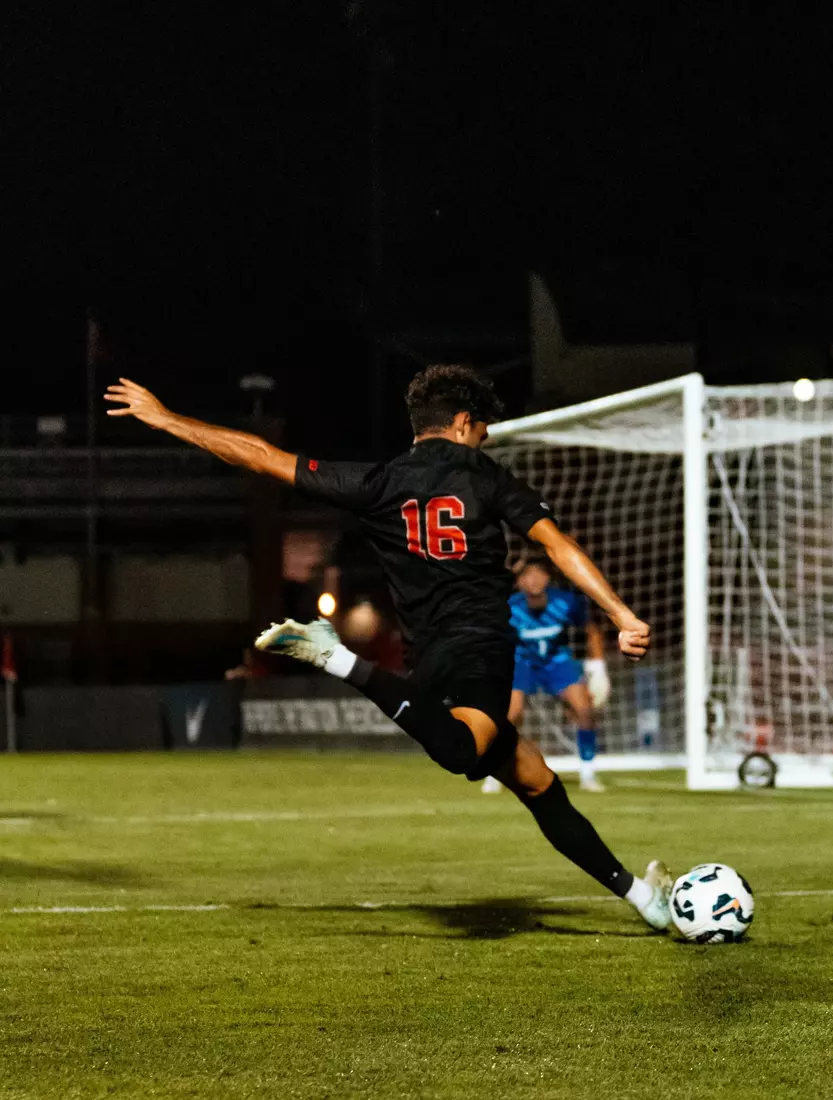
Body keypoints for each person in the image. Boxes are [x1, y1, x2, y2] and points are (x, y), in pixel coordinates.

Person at [105, 365, 672, 929]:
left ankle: (644, 899)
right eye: (482, 430)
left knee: (536, 780)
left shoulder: (378, 481)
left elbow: (259, 456)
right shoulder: (486, 476)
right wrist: (620, 613)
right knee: (463, 752)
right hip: (480, 647)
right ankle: (339, 659)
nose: (485, 440)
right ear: (462, 422)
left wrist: (167, 419)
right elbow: (557, 544)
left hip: (424, 661)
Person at [482, 556, 610, 795]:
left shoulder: (566, 602)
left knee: (584, 710)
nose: (533, 580)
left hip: (556, 661)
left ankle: (588, 774)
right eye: (527, 575)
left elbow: (592, 629)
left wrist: (597, 668)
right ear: (519, 581)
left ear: (548, 578)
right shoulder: (509, 607)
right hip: (521, 663)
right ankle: (494, 772)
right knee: (511, 714)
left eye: (539, 574)